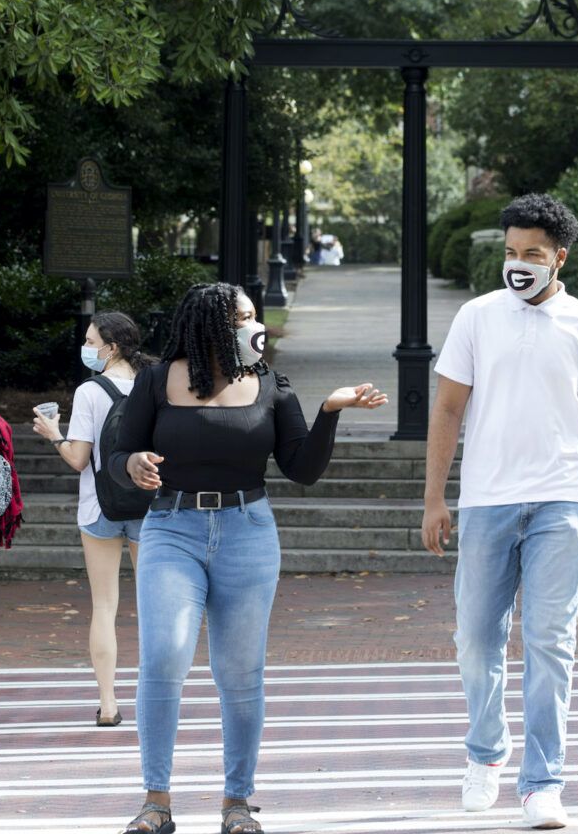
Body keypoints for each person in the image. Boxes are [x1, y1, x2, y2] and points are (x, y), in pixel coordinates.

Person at [109, 283, 388, 834]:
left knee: (239, 673)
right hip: (171, 528)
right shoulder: (155, 381)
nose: (252, 327)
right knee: (164, 657)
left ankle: (236, 804)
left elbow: (301, 467)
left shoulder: (270, 384)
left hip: (247, 531)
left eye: (254, 317)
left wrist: (331, 409)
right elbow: (114, 456)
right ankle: (156, 803)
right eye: (242, 317)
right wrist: (133, 463)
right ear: (212, 325)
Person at [421, 193, 578, 830]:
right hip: (486, 499)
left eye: (531, 255)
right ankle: (486, 754)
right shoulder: (477, 318)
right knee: (476, 640)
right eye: (510, 253)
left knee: (549, 640)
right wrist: (435, 496)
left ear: (558, 258)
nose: (517, 264)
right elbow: (448, 411)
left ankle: (543, 782)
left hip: (563, 500)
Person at [31, 311, 154, 727]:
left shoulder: (90, 391)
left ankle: (108, 704)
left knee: (105, 606)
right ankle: (155, 697)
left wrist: (55, 434)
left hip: (100, 507)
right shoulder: (152, 384)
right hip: (148, 504)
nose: (85, 348)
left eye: (90, 340)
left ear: (111, 346)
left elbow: (79, 459)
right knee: (154, 606)